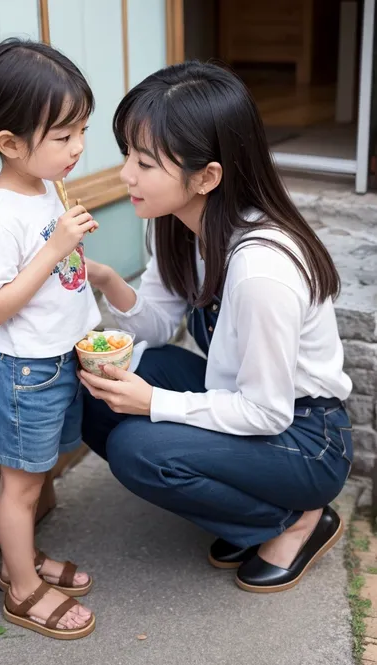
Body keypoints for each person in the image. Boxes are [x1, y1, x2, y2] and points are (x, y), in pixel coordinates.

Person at [81, 60, 353, 594]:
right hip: (242, 402)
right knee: (98, 393)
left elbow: (266, 409)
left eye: (145, 162)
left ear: (206, 176)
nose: (126, 175)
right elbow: (157, 328)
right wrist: (109, 280)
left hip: (304, 437)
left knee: (138, 448)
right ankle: (248, 514)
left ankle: (294, 520)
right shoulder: (179, 225)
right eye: (127, 156)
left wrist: (154, 404)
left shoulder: (262, 269)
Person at [0, 38, 99, 637]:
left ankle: (26, 561)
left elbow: (55, 277)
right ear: (11, 144)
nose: (78, 149)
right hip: (23, 372)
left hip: (54, 362)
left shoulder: (44, 184)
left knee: (36, 474)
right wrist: (55, 249)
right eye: (64, 137)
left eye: (81, 131)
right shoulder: (0, 214)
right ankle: (21, 589)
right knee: (20, 488)